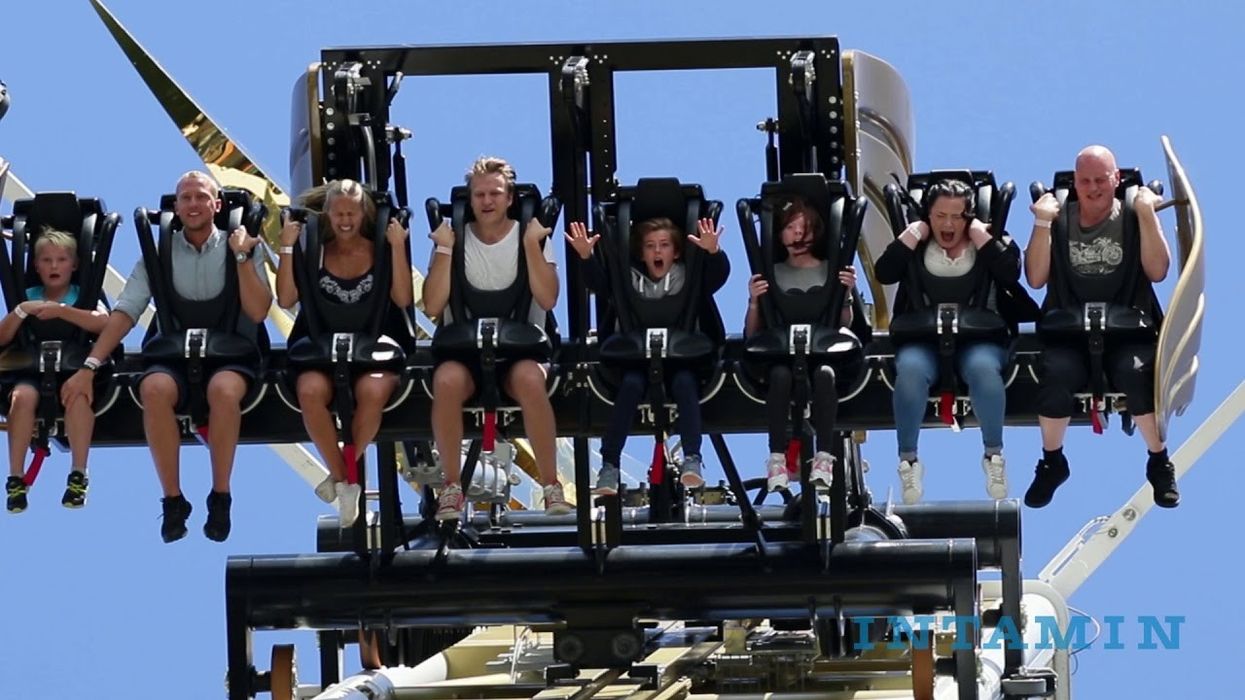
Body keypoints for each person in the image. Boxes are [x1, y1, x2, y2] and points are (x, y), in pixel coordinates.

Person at [60, 170, 272, 542]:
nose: (193, 205)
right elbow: (126, 313)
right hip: (173, 355)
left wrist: (241, 258)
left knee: (223, 391)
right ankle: (173, 500)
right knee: (154, 389)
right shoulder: (157, 256)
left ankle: (220, 495)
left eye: (201, 197)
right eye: (186, 198)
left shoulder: (242, 246)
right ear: (176, 207)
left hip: (230, 353)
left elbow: (257, 312)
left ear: (216, 205)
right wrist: (90, 366)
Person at [1023, 145, 1178, 508]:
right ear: (1074, 182)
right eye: (1084, 181)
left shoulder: (1132, 216)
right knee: (1056, 376)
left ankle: (1159, 461)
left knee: (1137, 375)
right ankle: (1052, 462)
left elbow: (1158, 271)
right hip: (1069, 330)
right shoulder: (1061, 217)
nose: (1093, 188)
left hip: (1129, 329)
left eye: (1101, 180)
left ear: (1117, 179)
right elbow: (1035, 277)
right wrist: (1043, 222)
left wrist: (1146, 215)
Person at [422, 156, 569, 520]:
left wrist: (533, 246)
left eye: (495, 193)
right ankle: (452, 488)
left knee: (530, 378)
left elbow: (549, 298)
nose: (487, 201)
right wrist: (443, 249)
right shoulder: (455, 237)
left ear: (509, 198)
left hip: (521, 352)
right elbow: (433, 304)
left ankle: (551, 485)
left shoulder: (528, 235)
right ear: (470, 200)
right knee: (446, 379)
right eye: (479, 194)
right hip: (465, 354)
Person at [276, 179, 413, 527]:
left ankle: (340, 477)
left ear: (364, 212)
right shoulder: (317, 250)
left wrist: (398, 248)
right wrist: (287, 248)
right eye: (338, 214)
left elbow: (402, 299)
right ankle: (344, 477)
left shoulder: (379, 247)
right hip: (321, 350)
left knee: (373, 390)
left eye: (352, 213)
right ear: (328, 214)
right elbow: (287, 299)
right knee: (309, 391)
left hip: (373, 350)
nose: (346, 220)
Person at [875, 179, 1020, 504]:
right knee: (910, 371)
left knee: (984, 369)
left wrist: (984, 238)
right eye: (940, 216)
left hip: (978, 337)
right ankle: (908, 460)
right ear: (929, 215)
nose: (949, 224)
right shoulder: (916, 241)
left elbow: (1011, 273)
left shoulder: (985, 240)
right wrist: (912, 235)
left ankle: (993, 455)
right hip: (923, 337)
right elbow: (884, 272)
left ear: (969, 217)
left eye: (957, 216)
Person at [566, 214, 728, 494]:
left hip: (682, 359)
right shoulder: (628, 279)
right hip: (636, 360)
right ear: (641, 253)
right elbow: (602, 286)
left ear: (676, 251)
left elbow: (716, 278)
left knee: (684, 384)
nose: (657, 251)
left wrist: (713, 251)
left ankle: (692, 458)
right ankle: (609, 465)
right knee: (630, 387)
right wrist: (586, 257)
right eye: (650, 245)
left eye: (664, 245)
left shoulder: (688, 277)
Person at [743, 196, 856, 492]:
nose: (798, 234)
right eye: (791, 227)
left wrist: (846, 294)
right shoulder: (773, 274)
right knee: (779, 376)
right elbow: (752, 333)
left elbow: (843, 325)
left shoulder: (829, 270)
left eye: (804, 227)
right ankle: (777, 458)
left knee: (825, 376)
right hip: (782, 354)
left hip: (822, 352)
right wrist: (755, 301)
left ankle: (824, 457)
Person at [1, 229, 108, 511]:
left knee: (77, 396)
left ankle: (78, 474)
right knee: (22, 397)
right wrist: (22, 310)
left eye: (61, 260)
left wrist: (61, 311)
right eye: (46, 261)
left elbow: (104, 324)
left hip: (74, 370)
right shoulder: (27, 296)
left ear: (73, 265)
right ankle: (15, 477)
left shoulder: (84, 295)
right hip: (32, 370)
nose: (53, 266)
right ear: (36, 266)